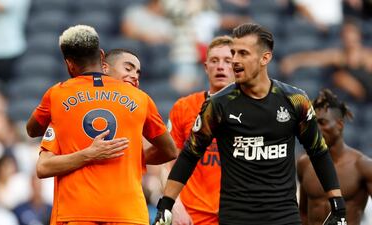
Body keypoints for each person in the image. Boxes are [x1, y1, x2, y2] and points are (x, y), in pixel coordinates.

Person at [153, 23, 347, 225]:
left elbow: (318, 152)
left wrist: (338, 206)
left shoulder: (295, 100)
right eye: (234, 53)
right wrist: (166, 204)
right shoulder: (218, 105)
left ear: (265, 58)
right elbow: (189, 156)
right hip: (237, 218)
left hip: (284, 217)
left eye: (243, 53)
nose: (235, 60)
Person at [33, 25, 178, 225]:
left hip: (85, 212)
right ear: (104, 65)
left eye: (138, 72)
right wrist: (91, 154)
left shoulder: (63, 99)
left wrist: (133, 157)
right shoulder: (140, 100)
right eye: (128, 68)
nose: (135, 75)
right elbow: (43, 167)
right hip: (118, 213)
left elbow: (34, 135)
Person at [167, 35, 235, 225]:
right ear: (206, 67)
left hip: (238, 212)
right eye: (214, 60)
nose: (220, 66)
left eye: (227, 61)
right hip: (192, 215)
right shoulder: (184, 107)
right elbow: (169, 163)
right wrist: (175, 203)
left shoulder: (256, 111)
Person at [297, 89, 372, 225]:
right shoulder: (304, 163)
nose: (317, 129)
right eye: (314, 123)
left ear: (340, 125)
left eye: (323, 122)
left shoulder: (362, 165)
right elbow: (302, 213)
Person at [280, 18, 372, 102]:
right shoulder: (339, 56)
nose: (348, 37)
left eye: (351, 33)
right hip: (348, 101)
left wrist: (354, 86)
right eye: (345, 34)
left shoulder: (367, 56)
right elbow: (315, 58)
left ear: (358, 35)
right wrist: (293, 61)